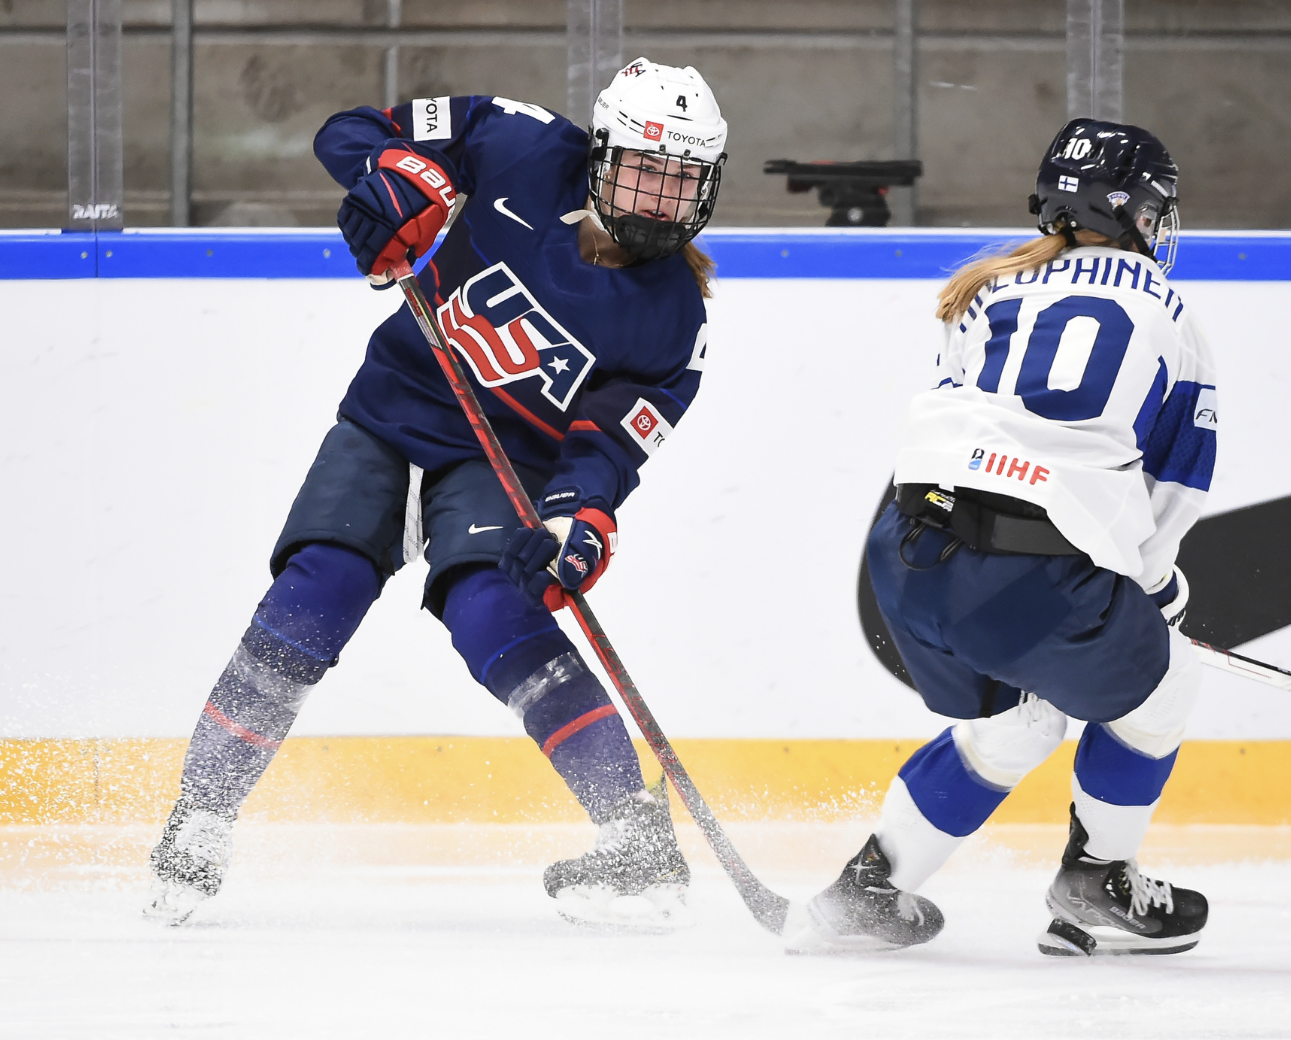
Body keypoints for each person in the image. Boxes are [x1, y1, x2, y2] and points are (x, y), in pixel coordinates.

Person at [145, 58, 728, 928]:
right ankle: (201, 812)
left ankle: (636, 836)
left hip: (503, 467)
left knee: (495, 611)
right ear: (601, 152)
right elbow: (351, 130)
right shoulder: (517, 140)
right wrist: (396, 178)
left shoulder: (676, 321)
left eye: (683, 180)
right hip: (393, 410)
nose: (660, 200)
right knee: (319, 587)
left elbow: (604, 451)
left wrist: (576, 525)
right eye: (646, 170)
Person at [790, 119, 1217, 956]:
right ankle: (1099, 880)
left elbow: (972, 434)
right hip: (1028, 570)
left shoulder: (991, 287)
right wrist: (1155, 597)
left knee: (1021, 721)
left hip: (907, 554)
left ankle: (867, 892)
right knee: (1169, 682)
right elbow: (1174, 486)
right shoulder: (1169, 312)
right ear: (1131, 211)